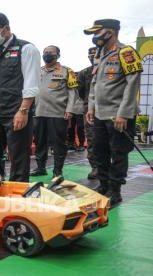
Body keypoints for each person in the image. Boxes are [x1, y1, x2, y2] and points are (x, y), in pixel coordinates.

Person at [0, 12, 40, 181]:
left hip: (16, 111)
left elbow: (31, 84)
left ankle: (18, 196)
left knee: (19, 157)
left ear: (7, 29)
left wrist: (23, 111)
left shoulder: (26, 49)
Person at [85, 19, 142, 205]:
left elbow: (132, 84)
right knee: (100, 151)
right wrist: (91, 107)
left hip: (118, 115)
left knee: (118, 152)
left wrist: (123, 113)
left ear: (110, 32)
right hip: (100, 114)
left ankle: (115, 190)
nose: (95, 37)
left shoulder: (126, 53)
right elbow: (95, 84)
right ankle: (103, 185)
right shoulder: (100, 54)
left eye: (97, 32)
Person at [31, 45, 78, 177]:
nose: (47, 54)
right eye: (45, 52)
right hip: (39, 112)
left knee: (59, 143)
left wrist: (70, 110)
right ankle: (40, 168)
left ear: (58, 55)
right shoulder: (38, 71)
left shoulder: (67, 71)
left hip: (58, 113)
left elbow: (73, 93)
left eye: (50, 52)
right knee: (40, 142)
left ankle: (57, 171)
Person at [78, 47, 98, 179]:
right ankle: (95, 167)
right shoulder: (84, 73)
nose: (92, 57)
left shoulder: (107, 70)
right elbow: (80, 92)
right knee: (91, 139)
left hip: (109, 110)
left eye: (94, 54)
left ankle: (108, 166)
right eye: (90, 55)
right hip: (89, 111)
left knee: (109, 140)